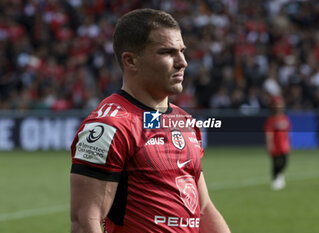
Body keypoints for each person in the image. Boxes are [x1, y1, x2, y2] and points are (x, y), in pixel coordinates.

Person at [70, 8, 231, 233]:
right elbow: (85, 221)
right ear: (131, 61)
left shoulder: (184, 121)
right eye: (167, 52)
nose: (182, 62)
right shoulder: (108, 127)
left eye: (182, 51)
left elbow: (203, 209)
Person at [264, 95, 291, 190]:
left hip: (283, 144)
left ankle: (279, 175)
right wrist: (269, 144)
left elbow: (288, 132)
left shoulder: (284, 118)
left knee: (285, 161)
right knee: (275, 162)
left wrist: (289, 143)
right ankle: (275, 179)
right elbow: (269, 133)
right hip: (276, 144)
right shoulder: (271, 119)